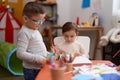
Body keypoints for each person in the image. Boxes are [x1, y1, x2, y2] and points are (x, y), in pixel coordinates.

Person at [16, 2, 49, 80]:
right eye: (37, 21)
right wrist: (39, 59)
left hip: (39, 67)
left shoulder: (34, 29)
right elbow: (20, 53)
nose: (40, 24)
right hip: (31, 70)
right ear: (25, 18)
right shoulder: (24, 32)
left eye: (42, 20)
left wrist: (48, 54)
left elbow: (36, 47)